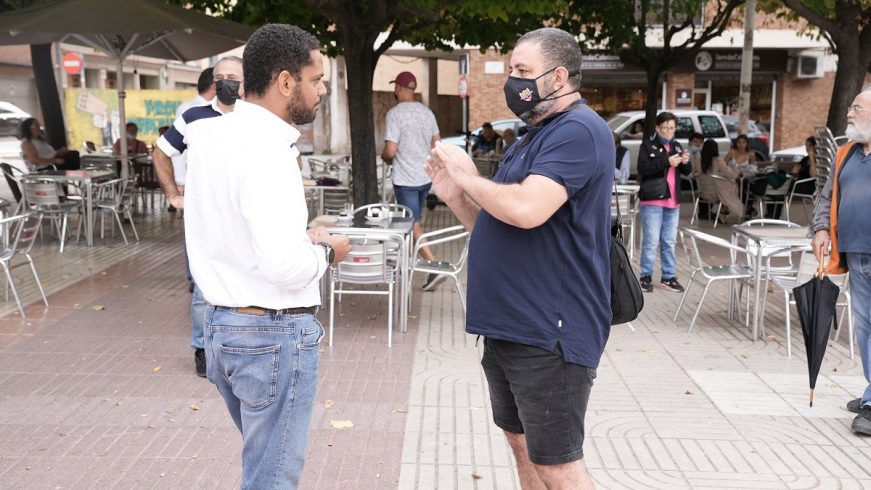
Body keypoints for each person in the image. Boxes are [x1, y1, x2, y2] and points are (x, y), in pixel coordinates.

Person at [426, 27, 611, 489]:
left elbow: (527, 209)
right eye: (511, 70)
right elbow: (500, 225)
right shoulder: (534, 135)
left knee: (557, 464)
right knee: (523, 445)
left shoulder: (579, 131)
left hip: (551, 330)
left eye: (523, 71)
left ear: (560, 76)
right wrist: (456, 196)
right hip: (509, 326)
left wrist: (468, 176)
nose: (513, 80)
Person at [184, 24, 350, 488]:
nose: (319, 91)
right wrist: (327, 251)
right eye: (316, 80)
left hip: (220, 324)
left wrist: (301, 240)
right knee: (272, 478)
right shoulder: (268, 150)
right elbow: (285, 267)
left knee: (263, 466)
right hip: (269, 332)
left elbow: (228, 229)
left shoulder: (211, 137)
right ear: (285, 81)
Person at [153, 56, 244, 378]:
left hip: (244, 221)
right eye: (220, 77)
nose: (225, 82)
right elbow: (161, 151)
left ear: (246, 81)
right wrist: (172, 195)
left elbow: (292, 160)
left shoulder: (257, 118)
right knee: (204, 290)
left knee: (242, 287)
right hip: (203, 221)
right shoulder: (193, 117)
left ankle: (236, 348)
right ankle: (202, 350)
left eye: (232, 76)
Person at [812, 87, 871, 437]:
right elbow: (827, 195)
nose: (849, 112)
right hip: (856, 255)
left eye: (858, 107)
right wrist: (820, 228)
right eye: (850, 107)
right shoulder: (846, 153)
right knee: (864, 330)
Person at [381, 70, 444, 291]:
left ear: (398, 89)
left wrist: (385, 156)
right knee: (411, 224)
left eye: (395, 88)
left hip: (405, 180)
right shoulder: (427, 113)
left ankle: (434, 267)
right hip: (424, 178)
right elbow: (438, 145)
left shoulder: (395, 114)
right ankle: (403, 265)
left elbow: (390, 150)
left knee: (412, 225)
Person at [637, 111, 690, 293]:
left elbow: (686, 172)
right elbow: (643, 168)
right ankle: (645, 277)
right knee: (651, 242)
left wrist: (685, 162)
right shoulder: (648, 145)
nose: (669, 131)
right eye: (665, 128)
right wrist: (667, 162)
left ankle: (668, 277)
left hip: (672, 201)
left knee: (669, 241)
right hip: (652, 200)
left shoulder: (677, 145)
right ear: (657, 128)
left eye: (672, 128)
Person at [166, 67, 216, 212]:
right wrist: (180, 181)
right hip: (194, 179)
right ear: (214, 84)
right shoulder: (191, 108)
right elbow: (178, 146)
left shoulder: (215, 108)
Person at [695, 138, 743, 223]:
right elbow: (730, 175)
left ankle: (722, 212)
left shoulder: (698, 160)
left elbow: (696, 173)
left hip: (703, 193)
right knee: (733, 186)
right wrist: (736, 166)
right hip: (716, 194)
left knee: (727, 187)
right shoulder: (717, 160)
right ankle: (722, 211)